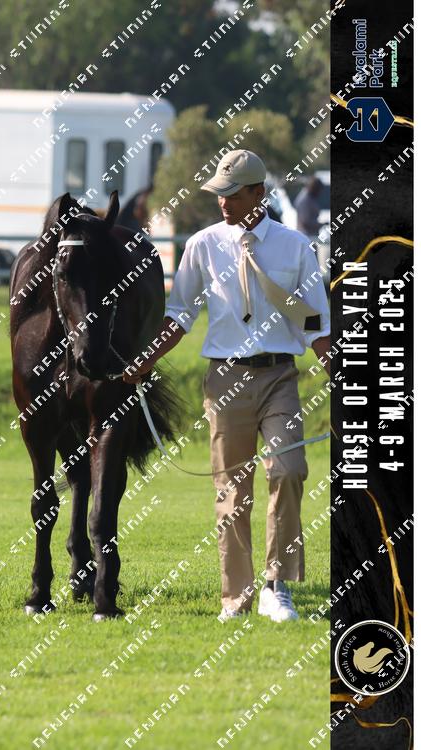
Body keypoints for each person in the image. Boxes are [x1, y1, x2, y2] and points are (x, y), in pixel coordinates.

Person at [123, 149, 330, 623]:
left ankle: (277, 588)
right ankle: (236, 597)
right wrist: (145, 360)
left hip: (279, 376)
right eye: (219, 194)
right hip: (225, 380)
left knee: (288, 470)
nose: (223, 202)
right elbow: (180, 315)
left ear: (259, 193)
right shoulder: (202, 244)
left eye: (232, 195)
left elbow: (316, 325)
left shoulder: (295, 247)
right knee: (233, 492)